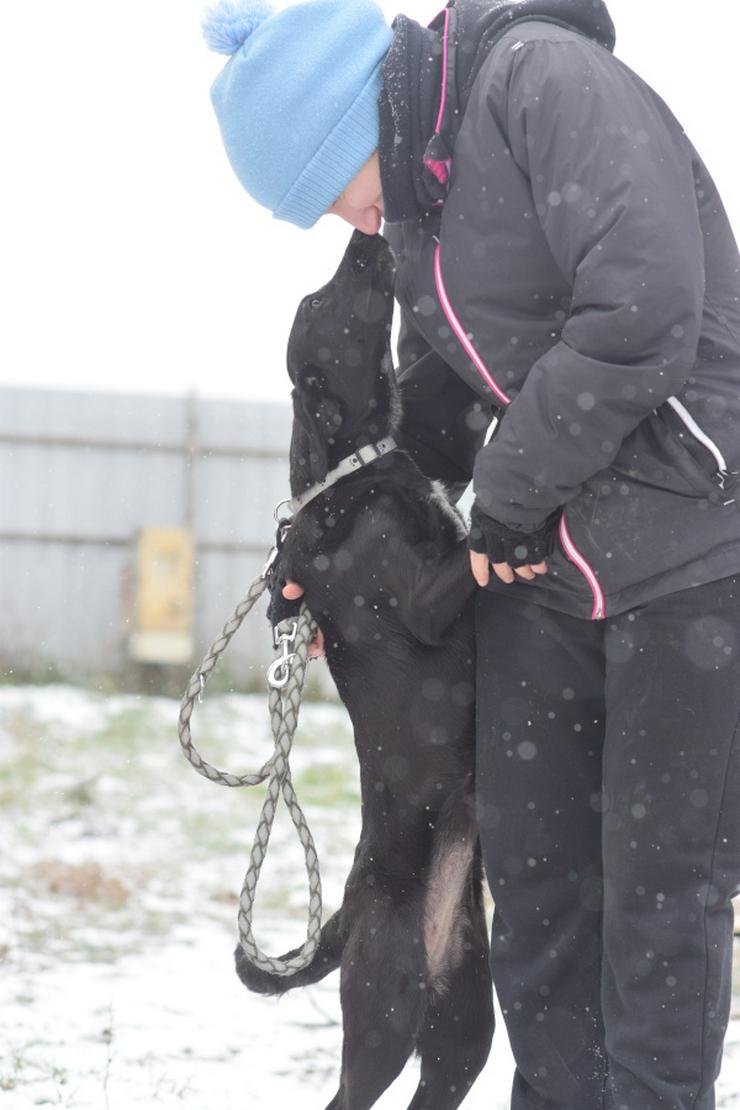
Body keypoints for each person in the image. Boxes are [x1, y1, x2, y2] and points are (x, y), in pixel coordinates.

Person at [203, 1, 740, 1107]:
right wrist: (325, 561)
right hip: (546, 560)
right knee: (536, 887)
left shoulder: (543, 85)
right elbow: (431, 422)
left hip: (691, 543)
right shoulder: (415, 208)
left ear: (357, 117)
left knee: (655, 893)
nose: (335, 220)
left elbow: (643, 308)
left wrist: (506, 494)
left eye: (323, 188)